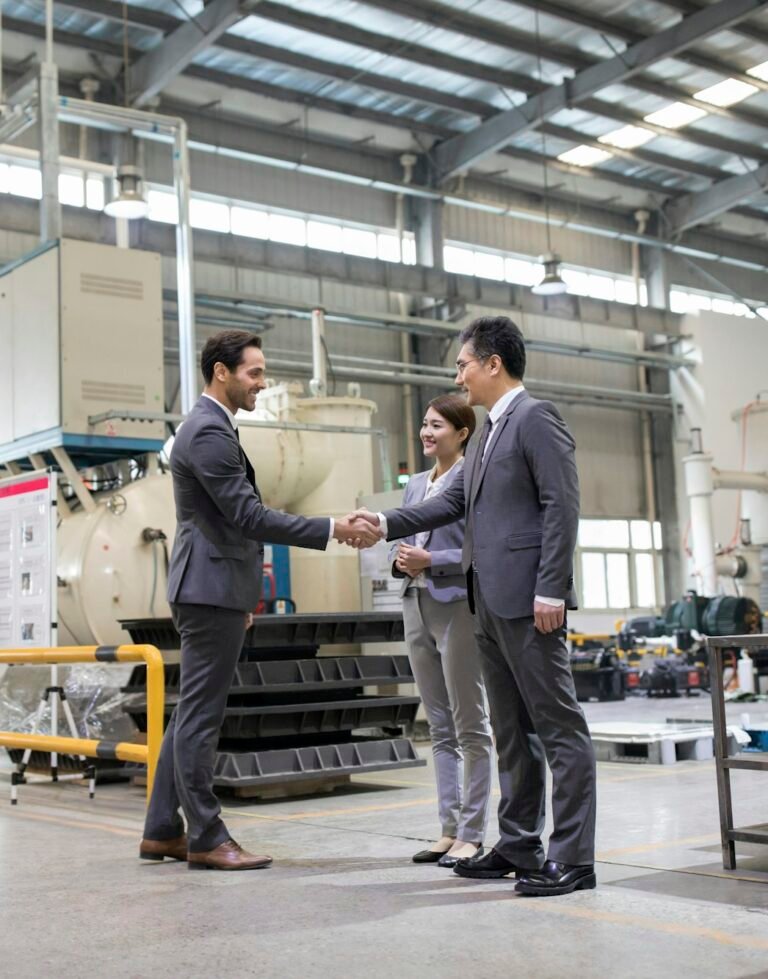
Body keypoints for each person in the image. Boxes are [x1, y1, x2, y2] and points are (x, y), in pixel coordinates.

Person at [352, 315, 596, 897]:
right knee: (511, 729)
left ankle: (574, 858)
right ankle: (517, 843)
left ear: (493, 363)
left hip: (529, 599)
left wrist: (551, 589)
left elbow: (561, 505)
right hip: (483, 599)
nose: (457, 375)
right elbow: (449, 502)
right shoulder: (485, 432)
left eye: (463, 363)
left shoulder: (536, 418)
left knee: (558, 727)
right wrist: (384, 522)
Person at [139, 329, 380, 871]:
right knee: (202, 716)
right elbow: (248, 516)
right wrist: (330, 527)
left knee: (189, 716)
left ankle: (161, 829)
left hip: (215, 586)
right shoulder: (207, 432)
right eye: (254, 372)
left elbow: (234, 521)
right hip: (209, 587)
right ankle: (206, 836)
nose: (262, 383)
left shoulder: (212, 429)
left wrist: (244, 592)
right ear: (220, 372)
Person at [393, 394, 493, 869]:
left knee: (470, 722)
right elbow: (408, 537)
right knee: (438, 726)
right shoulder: (415, 485)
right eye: (424, 425)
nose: (427, 433)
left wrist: (432, 560)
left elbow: (482, 549)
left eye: (437, 426)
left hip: (455, 606)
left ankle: (473, 833)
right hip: (414, 602)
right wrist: (403, 558)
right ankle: (448, 829)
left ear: (462, 433)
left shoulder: (472, 481)